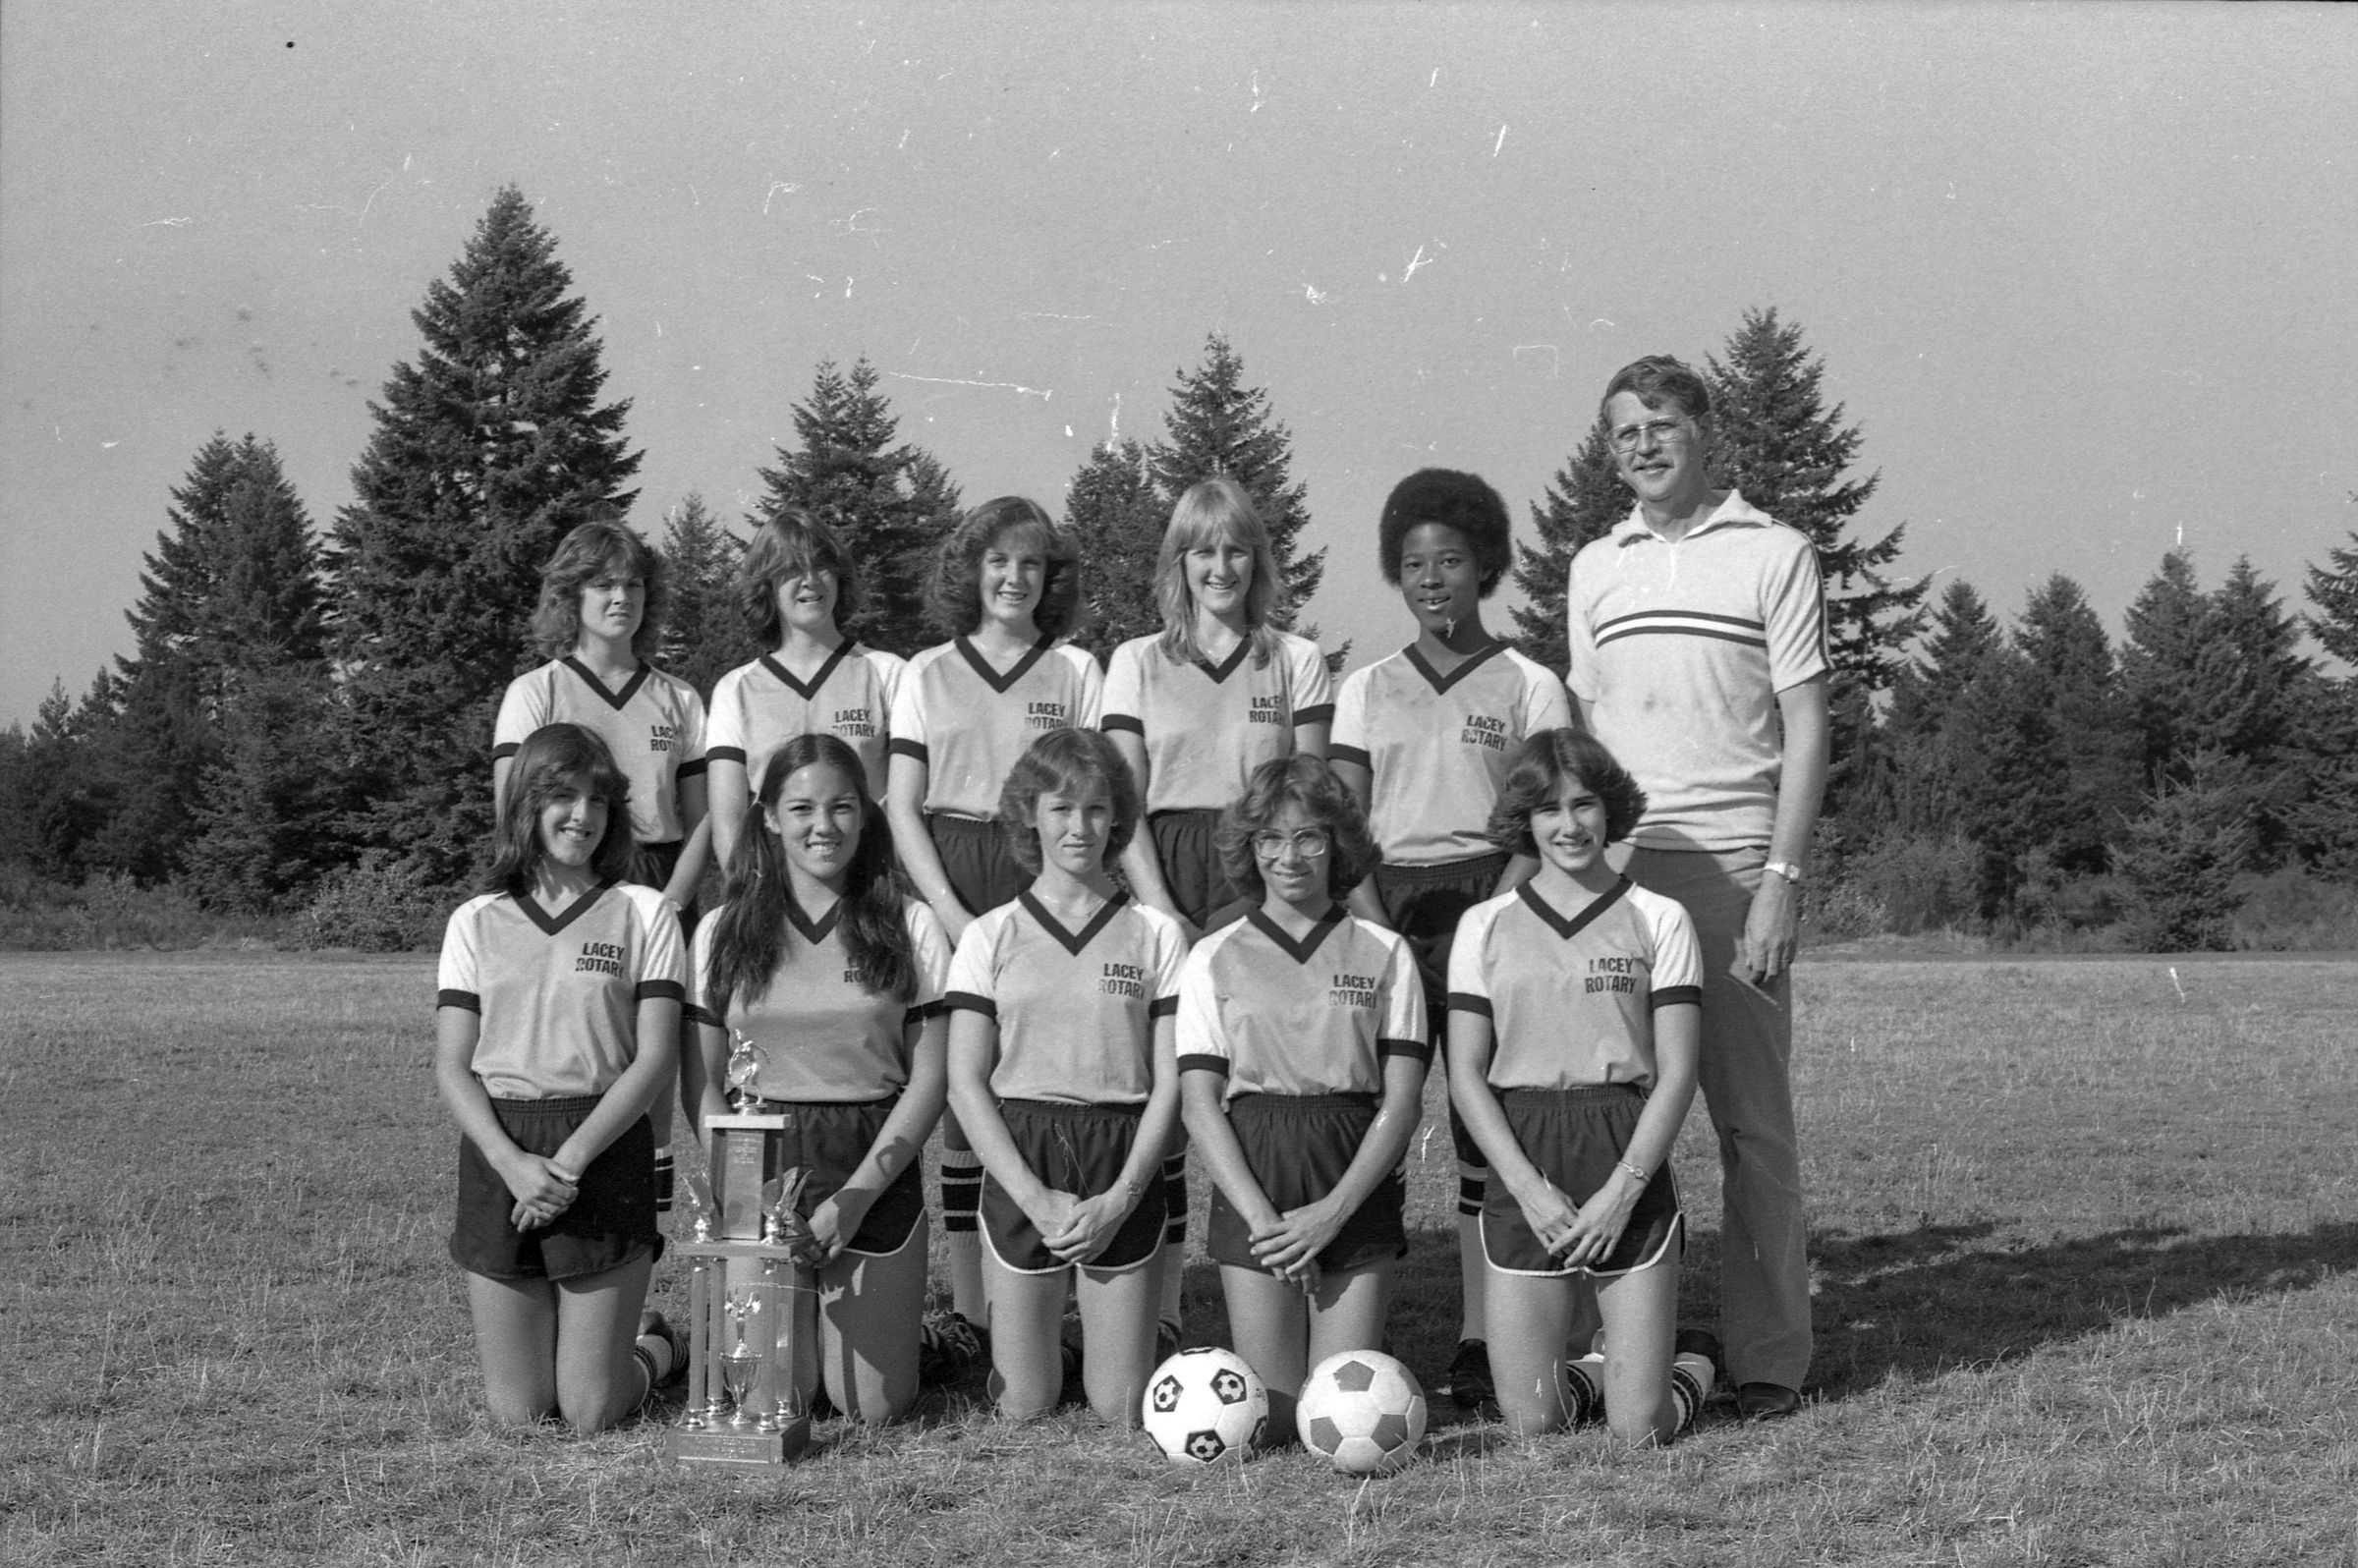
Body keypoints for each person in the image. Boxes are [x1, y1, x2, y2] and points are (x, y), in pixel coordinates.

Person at [1565, 354, 1830, 1422]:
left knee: (1752, 1129)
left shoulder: (1775, 551)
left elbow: (1807, 724)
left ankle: (1769, 1359)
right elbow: (1587, 738)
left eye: (1661, 424)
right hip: (1618, 879)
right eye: (1624, 430)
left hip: (1732, 873)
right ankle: (1604, 1349)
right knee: (1596, 1114)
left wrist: (1781, 881)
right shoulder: (1596, 568)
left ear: (1703, 431)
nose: (1643, 444)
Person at [1326, 467, 1573, 1416]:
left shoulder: (1530, 683)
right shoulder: (1365, 687)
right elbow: (1345, 822)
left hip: (1492, 904)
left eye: (1453, 560)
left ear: (1487, 567)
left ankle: (1480, 1336)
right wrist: (1375, 923)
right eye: (1415, 563)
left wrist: (1489, 921)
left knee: (1486, 1128)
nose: (1433, 579)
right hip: (1385, 909)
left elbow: (1543, 822)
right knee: (1369, 1120)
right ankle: (1356, 1325)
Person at [1101, 476, 1333, 1350]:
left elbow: (1310, 797)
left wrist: (1258, 912)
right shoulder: (1134, 661)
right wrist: (1163, 912)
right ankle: (1161, 1311)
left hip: (1265, 887)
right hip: (1160, 884)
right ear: (1179, 561)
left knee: (1267, 1097)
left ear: (1259, 559)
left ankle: (1297, 1289)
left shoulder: (1295, 659)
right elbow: (1123, 801)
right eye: (1204, 550)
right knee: (1163, 1099)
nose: (1221, 566)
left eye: (1237, 548)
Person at [1446, 729, 1716, 1442]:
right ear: (1524, 820)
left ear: (1610, 808)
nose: (1569, 825)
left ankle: (1691, 1365)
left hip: (1623, 1149)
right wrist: (1528, 1190)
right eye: (1549, 809)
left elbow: (1678, 1072)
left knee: (1639, 1430)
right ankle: (1605, 1372)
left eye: (1584, 804)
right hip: (1525, 1156)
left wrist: (1621, 1193)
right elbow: (1466, 1074)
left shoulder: (1660, 918)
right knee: (1533, 1421)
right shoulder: (1483, 926)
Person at [682, 734, 950, 1423]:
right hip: (761, 1159)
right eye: (802, 808)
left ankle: (916, 1337)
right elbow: (703, 1083)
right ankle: (677, 1341)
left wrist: (853, 1200)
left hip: (870, 1155)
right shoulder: (720, 929)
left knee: (872, 1407)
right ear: (769, 817)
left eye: (842, 807)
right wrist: (747, 1187)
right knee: (769, 1400)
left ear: (865, 815)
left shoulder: (909, 922)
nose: (823, 826)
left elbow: (929, 1079)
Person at [887, 497, 1102, 1340]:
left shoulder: (1076, 670)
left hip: (1042, 880)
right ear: (971, 570)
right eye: (999, 561)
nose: (1015, 578)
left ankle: (1059, 1287)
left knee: (1044, 1074)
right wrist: (948, 913)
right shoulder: (925, 671)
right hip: (950, 878)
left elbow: (1091, 797)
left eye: (1032, 563)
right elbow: (902, 805)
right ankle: (972, 1309)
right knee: (960, 1090)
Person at [435, 722, 686, 1430]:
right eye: (563, 797)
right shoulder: (475, 920)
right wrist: (514, 1165)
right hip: (504, 1155)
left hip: (601, 1150)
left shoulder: (645, 911)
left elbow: (653, 1058)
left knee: (590, 1410)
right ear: (526, 804)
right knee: (519, 1415)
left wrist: (568, 1166)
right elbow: (452, 1066)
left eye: (598, 800)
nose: (582, 815)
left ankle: (660, 1349)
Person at [1176, 755, 1426, 1444]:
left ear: (1338, 844)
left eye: (1309, 836)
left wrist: (1332, 1213)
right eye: (1271, 838)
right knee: (1280, 1419)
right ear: (1250, 846)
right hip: (1256, 1171)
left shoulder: (1385, 951)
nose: (1289, 857)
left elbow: (1403, 1102)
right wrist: (1266, 1223)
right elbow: (1199, 1104)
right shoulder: (1213, 954)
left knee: (1339, 1413)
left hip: (1352, 1171)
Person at [943, 728, 1185, 1426]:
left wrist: (1119, 1199)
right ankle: (1056, 1344)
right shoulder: (990, 934)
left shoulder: (1156, 933)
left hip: (1120, 1152)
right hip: (1024, 1152)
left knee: (1121, 1406)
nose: (1079, 827)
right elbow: (965, 1082)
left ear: (1118, 817)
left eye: (1096, 809)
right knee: (1024, 1403)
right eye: (1061, 808)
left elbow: (1170, 1085)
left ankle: (1125, 1335)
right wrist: (1035, 1198)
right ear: (1029, 814)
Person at [493, 516, 709, 1211]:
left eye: (635, 585)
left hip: (663, 884)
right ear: (571, 596)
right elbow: (513, 808)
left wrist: (672, 903)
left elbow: (704, 817)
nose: (622, 598)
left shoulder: (679, 697)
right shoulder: (538, 692)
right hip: (572, 885)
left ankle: (646, 1238)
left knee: (660, 1067)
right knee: (588, 1058)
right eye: (604, 584)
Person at [704, 510, 907, 872]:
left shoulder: (888, 672)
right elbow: (728, 818)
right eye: (792, 569)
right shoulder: (736, 689)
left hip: (871, 877)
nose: (810, 580)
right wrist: (749, 891)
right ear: (766, 585)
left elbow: (907, 802)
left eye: (821, 566)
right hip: (775, 881)